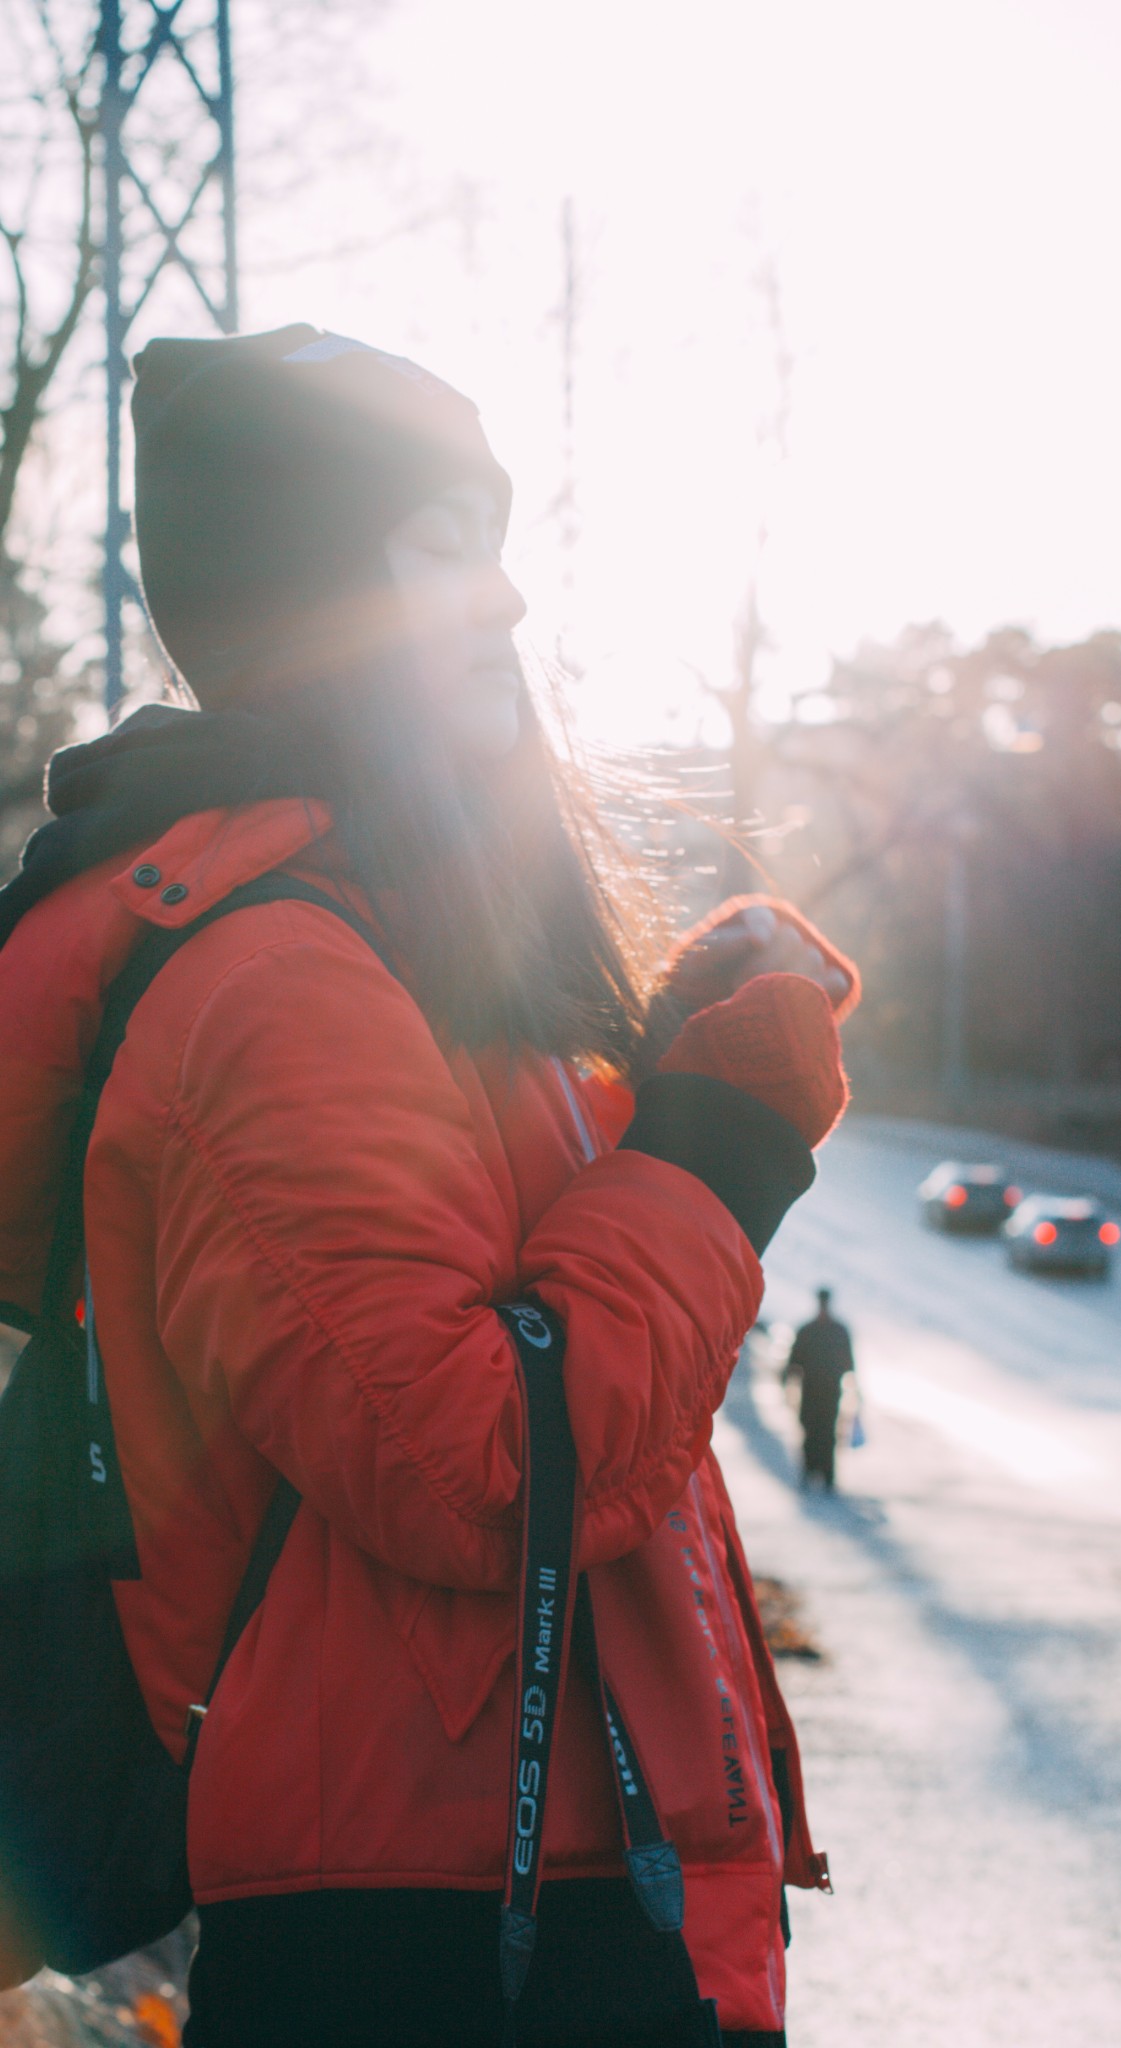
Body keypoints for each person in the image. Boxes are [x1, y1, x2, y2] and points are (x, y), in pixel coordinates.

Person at [0, 327, 860, 2048]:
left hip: (530, 1877)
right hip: (435, 1936)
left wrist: (671, 1065)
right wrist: (715, 1149)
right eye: (445, 538)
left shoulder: (402, 958)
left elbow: (530, 1300)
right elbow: (469, 1463)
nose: (511, 603)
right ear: (320, 583)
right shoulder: (280, 977)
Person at [784, 1290, 856, 1492]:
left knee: (824, 1432)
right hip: (815, 1390)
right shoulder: (831, 1330)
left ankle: (824, 1476)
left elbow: (848, 1363)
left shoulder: (815, 1330)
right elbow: (794, 1362)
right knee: (812, 1431)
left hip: (827, 1391)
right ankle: (811, 1474)